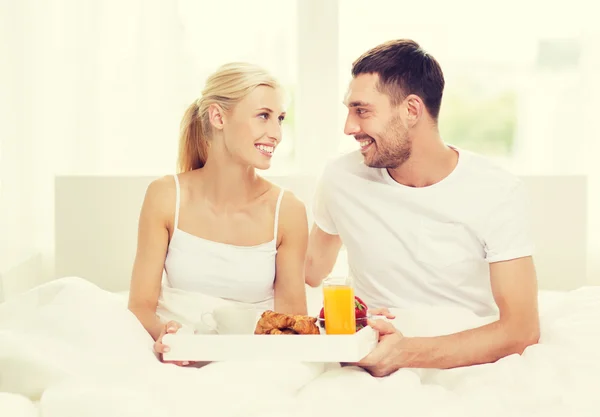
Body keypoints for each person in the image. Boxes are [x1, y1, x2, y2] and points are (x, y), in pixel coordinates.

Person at [305, 39, 540, 377]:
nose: (349, 127)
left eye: (362, 110)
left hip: (470, 361)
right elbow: (310, 271)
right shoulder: (341, 179)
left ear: (411, 110)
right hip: (372, 357)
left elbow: (521, 330)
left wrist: (406, 352)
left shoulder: (497, 190)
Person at [128, 62, 309, 365]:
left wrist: (224, 355)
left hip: (252, 359)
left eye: (279, 119)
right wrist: (170, 337)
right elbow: (141, 306)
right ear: (217, 117)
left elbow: (291, 324)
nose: (276, 133)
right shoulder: (165, 196)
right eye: (263, 116)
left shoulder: (287, 211)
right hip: (175, 352)